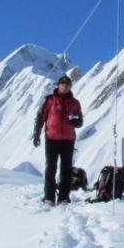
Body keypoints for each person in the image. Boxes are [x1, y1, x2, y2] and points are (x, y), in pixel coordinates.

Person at [32, 75, 84, 205]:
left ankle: (63, 198)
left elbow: (80, 121)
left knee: (66, 170)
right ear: (58, 85)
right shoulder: (49, 100)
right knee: (51, 168)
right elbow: (40, 118)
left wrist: (76, 121)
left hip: (68, 140)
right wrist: (36, 134)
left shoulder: (75, 103)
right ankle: (49, 197)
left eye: (67, 84)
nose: (65, 86)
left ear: (70, 87)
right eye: (63, 84)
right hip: (52, 139)